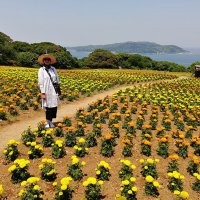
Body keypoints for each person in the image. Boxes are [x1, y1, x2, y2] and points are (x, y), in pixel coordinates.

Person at [38, 53, 60, 128]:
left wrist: (58, 88)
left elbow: (57, 79)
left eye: (48, 60)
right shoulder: (41, 70)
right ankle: (48, 122)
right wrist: (43, 92)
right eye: (45, 60)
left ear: (50, 61)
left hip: (54, 90)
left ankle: (51, 121)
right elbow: (40, 82)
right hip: (46, 90)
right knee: (48, 106)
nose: (47, 61)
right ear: (43, 61)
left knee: (54, 106)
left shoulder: (53, 69)